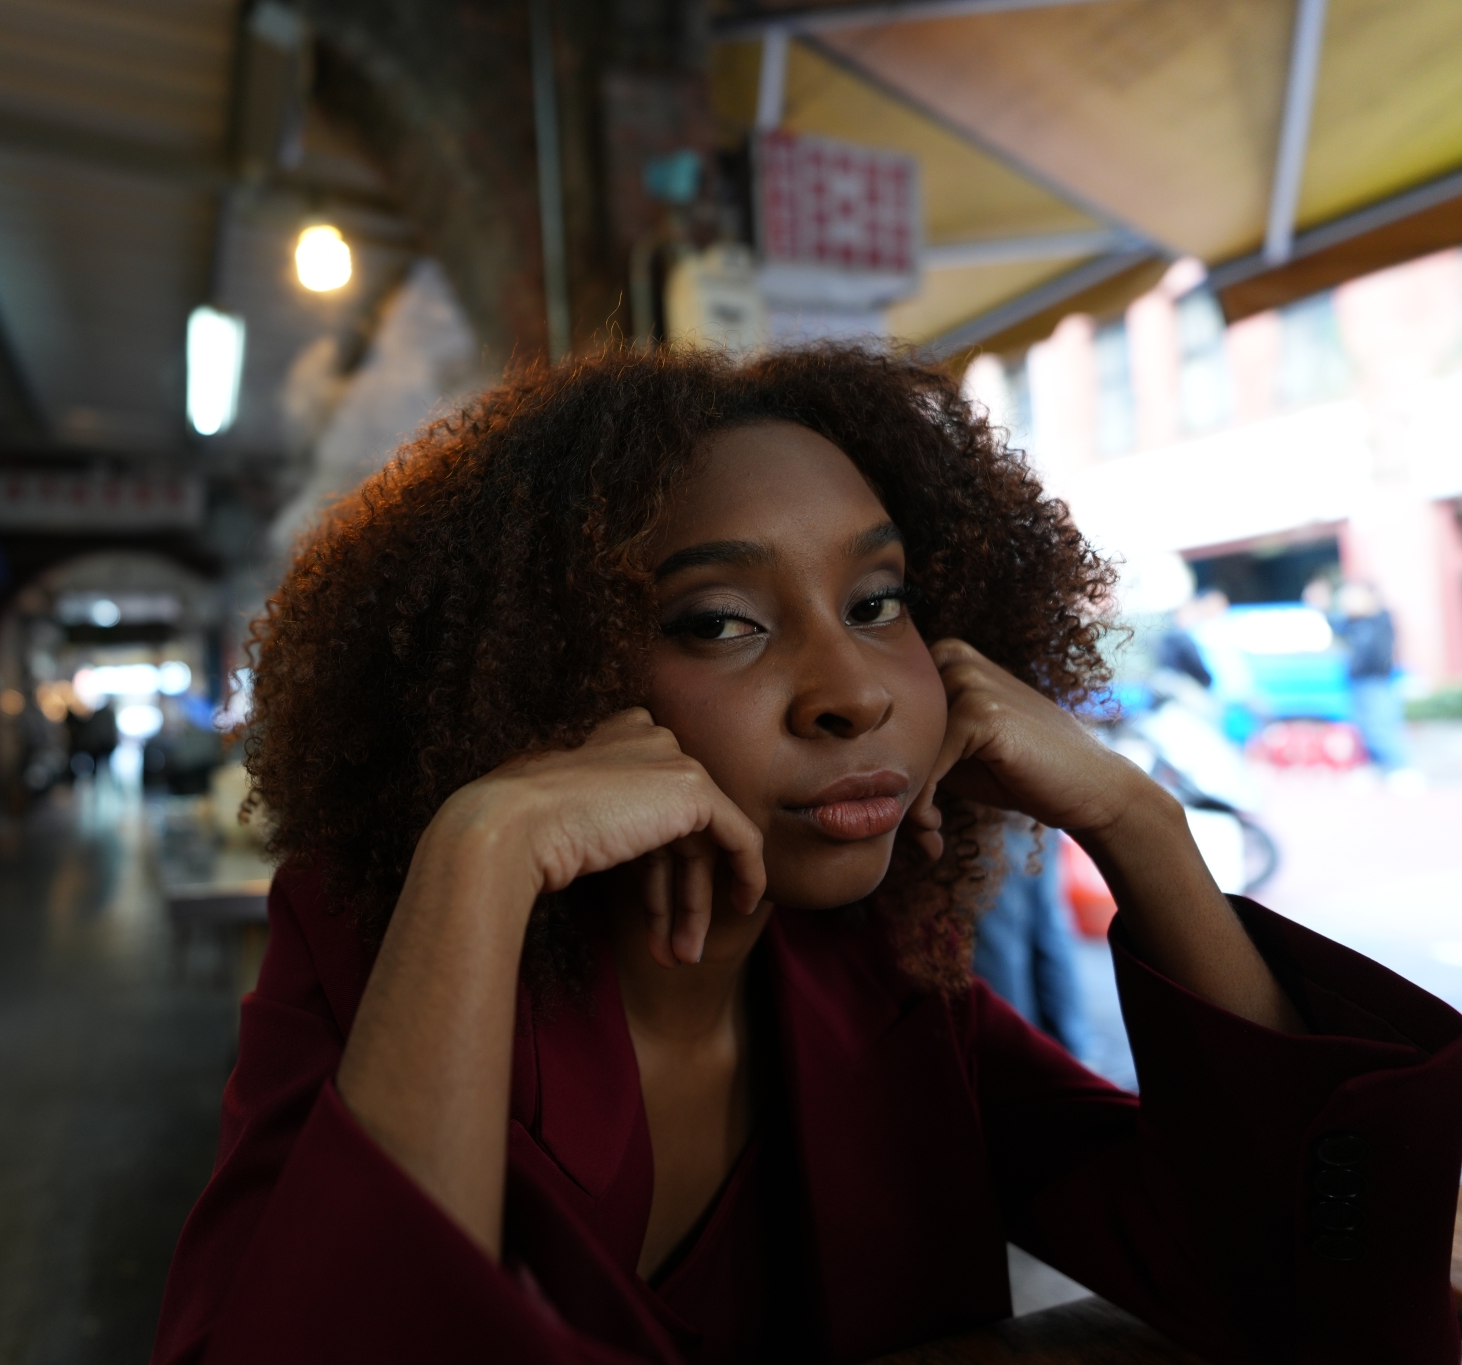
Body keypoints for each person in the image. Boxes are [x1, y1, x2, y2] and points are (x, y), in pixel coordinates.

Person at [153, 347, 1462, 1363]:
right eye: (720, 621)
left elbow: (1308, 1276)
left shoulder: (879, 981)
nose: (850, 689)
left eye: (878, 602)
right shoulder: (383, 941)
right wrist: (480, 852)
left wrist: (1140, 825)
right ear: (542, 685)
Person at [970, 822, 1091, 1060]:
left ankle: (1018, 1063)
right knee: (1046, 922)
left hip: (987, 807)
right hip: (1033, 807)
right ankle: (1071, 1061)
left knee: (1000, 937)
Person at [1335, 581, 1409, 774]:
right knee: (1366, 727)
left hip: (1376, 681)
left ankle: (1401, 768)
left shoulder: (1379, 621)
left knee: (1381, 725)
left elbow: (1381, 655)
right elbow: (1335, 627)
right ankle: (1379, 767)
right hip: (1358, 682)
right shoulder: (1354, 623)